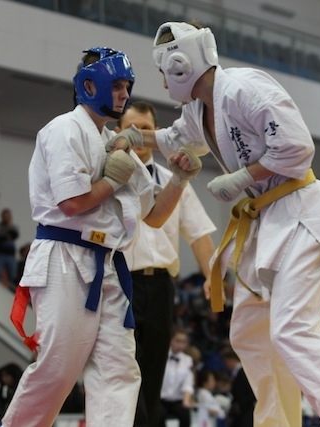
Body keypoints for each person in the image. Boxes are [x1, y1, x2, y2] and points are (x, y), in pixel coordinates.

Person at [124, 20, 320, 426]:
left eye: (164, 72)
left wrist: (243, 177)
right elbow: (174, 138)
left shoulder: (245, 88)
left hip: (299, 212)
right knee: (249, 330)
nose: (163, 82)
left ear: (180, 65)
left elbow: (297, 147)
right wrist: (130, 139)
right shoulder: (198, 108)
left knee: (292, 331)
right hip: (266, 221)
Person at [1, 46, 201, 427]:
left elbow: (155, 215)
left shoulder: (114, 142)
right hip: (64, 256)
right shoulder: (64, 129)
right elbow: (72, 203)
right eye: (118, 86)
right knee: (58, 368)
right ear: (90, 85)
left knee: (119, 369)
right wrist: (110, 180)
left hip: (107, 264)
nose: (124, 95)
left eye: (127, 86)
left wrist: (178, 179)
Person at [118, 100, 216, 427]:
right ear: (118, 131)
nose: (138, 134)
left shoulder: (176, 179)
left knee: (153, 372)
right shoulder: (109, 175)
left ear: (156, 133)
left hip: (161, 285)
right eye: (131, 128)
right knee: (125, 368)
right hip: (120, 283)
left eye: (145, 129)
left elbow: (199, 233)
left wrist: (212, 276)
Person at [159, 328, 194, 427]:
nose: (180, 345)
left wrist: (186, 400)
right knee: (159, 416)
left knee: (185, 414)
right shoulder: (161, 357)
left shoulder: (188, 360)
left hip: (177, 400)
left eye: (183, 342)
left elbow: (187, 383)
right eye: (177, 341)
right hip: (161, 400)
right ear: (171, 340)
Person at [0, 208, 19, 285]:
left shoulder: (13, 227)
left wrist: (10, 229)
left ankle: (12, 290)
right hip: (0, 254)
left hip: (10, 255)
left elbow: (15, 235)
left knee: (13, 276)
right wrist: (5, 235)